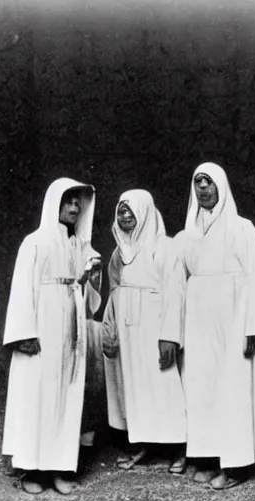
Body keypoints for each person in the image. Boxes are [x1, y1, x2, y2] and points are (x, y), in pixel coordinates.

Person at [175, 162, 255, 490]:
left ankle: (236, 465)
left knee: (233, 389)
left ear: (221, 186)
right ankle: (207, 457)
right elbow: (178, 282)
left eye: (208, 181)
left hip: (235, 320)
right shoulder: (187, 235)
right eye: (197, 182)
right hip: (199, 323)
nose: (203, 187)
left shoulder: (242, 228)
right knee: (201, 386)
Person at [2, 178, 102, 495]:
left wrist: (89, 273)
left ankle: (60, 467)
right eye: (68, 201)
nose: (74, 207)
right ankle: (31, 469)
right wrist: (23, 333)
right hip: (41, 328)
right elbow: (21, 290)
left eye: (77, 203)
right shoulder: (34, 242)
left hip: (69, 330)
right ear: (53, 203)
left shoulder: (77, 245)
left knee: (67, 396)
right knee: (37, 396)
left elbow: (87, 283)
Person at [102, 189, 187, 474]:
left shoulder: (165, 246)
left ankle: (179, 448)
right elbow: (113, 290)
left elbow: (175, 292)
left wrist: (169, 337)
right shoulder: (118, 253)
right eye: (121, 211)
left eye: (131, 211)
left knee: (164, 384)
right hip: (128, 333)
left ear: (145, 212)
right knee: (133, 387)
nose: (125, 217)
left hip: (154, 328)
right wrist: (110, 327)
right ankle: (140, 443)